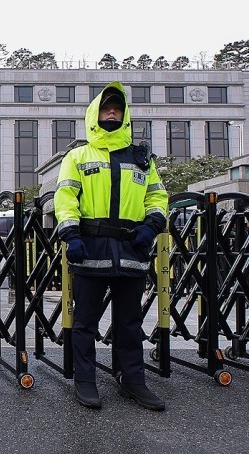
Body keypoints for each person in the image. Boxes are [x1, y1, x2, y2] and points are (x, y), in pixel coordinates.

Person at [53, 82, 168, 411]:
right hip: (90, 249)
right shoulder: (77, 156)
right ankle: (85, 380)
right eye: (106, 108)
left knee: (130, 323)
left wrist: (152, 228)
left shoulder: (142, 158)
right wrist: (71, 236)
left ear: (125, 114)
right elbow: (65, 199)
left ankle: (133, 380)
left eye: (117, 108)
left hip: (132, 250)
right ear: (95, 115)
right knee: (85, 322)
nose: (112, 112)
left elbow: (157, 197)